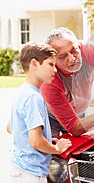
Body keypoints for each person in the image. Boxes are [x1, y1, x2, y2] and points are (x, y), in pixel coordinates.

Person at [6, 42, 72, 183]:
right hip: (31, 174)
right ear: (34, 64)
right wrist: (56, 148)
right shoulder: (33, 97)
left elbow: (11, 127)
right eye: (51, 64)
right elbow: (35, 141)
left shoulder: (22, 92)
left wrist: (46, 139)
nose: (55, 70)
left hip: (17, 168)